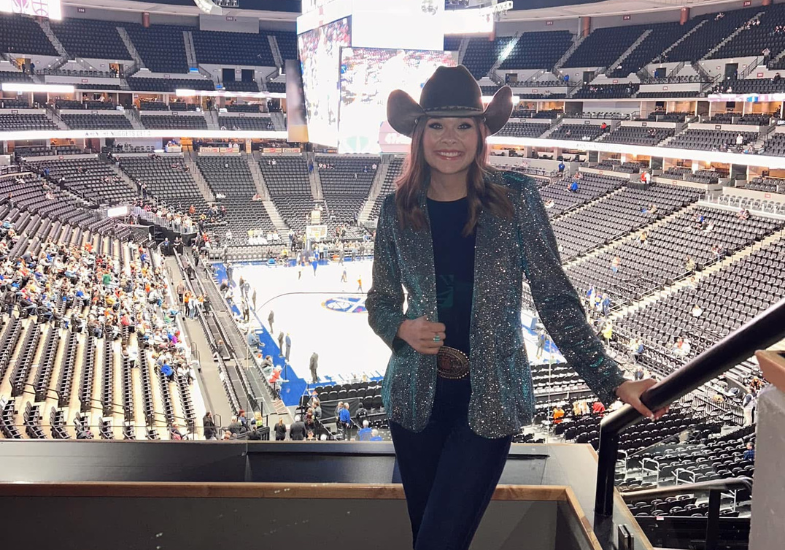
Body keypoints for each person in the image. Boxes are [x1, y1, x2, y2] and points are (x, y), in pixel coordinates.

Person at [366, 65, 663, 550]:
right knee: (432, 538)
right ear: (418, 133)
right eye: (436, 124)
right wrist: (399, 327)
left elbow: (556, 300)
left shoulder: (517, 198)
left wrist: (611, 378)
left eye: (464, 125)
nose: (450, 138)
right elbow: (379, 301)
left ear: (482, 132)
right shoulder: (398, 207)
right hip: (414, 404)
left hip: (489, 402)